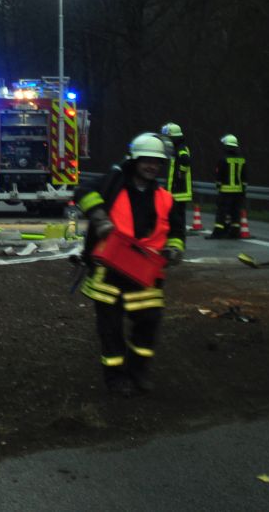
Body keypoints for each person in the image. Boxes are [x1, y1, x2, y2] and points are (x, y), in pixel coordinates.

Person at [75, 132, 184, 397]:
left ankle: (139, 370)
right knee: (110, 331)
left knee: (149, 322)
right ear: (135, 160)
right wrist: (100, 218)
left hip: (144, 271)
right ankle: (116, 378)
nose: (152, 166)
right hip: (110, 272)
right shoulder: (113, 184)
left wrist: (174, 250)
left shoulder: (166, 198)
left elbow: (178, 232)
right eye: (146, 160)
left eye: (156, 162)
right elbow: (83, 192)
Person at [159, 122, 193, 237]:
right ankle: (176, 233)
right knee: (175, 214)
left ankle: (178, 234)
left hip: (179, 190)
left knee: (177, 214)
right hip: (175, 189)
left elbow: (185, 159)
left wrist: (181, 173)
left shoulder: (180, 148)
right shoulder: (174, 148)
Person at [212, 134, 247, 239]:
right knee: (235, 212)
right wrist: (243, 190)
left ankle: (218, 232)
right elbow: (245, 177)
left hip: (225, 191)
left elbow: (219, 176)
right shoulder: (242, 159)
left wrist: (218, 187)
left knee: (221, 212)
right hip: (239, 192)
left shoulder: (223, 159)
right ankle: (234, 232)